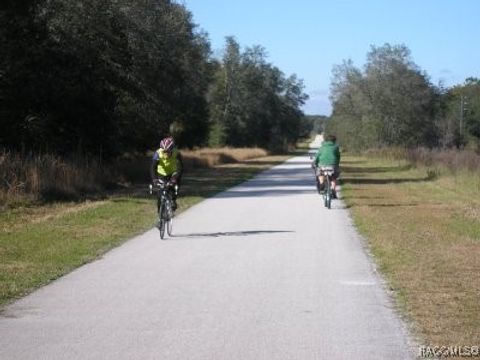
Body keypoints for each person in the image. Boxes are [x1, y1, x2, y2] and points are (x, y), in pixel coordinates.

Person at [150, 136, 183, 210]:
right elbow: (153, 167)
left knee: (172, 188)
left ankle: (173, 201)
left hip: (173, 173)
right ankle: (161, 217)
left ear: (172, 149)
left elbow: (180, 167)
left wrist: (175, 179)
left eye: (168, 151)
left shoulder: (176, 153)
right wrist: (154, 179)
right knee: (159, 195)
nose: (166, 153)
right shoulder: (158, 153)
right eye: (164, 151)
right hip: (161, 174)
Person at [312, 134, 341, 199]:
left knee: (320, 174)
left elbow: (317, 156)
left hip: (322, 165)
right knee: (334, 177)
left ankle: (322, 183)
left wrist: (314, 163)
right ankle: (333, 190)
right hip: (333, 165)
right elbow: (338, 156)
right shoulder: (336, 147)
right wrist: (337, 163)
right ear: (334, 141)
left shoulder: (322, 147)